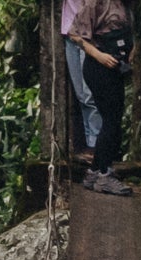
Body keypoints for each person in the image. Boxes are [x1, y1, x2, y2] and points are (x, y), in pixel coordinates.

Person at [69, 0, 134, 195]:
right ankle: (104, 176)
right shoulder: (94, 3)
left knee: (114, 118)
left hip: (116, 66)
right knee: (111, 121)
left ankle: (93, 172)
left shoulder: (125, 5)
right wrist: (99, 56)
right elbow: (75, 35)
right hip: (98, 67)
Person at [61, 0, 102, 161]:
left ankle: (95, 144)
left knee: (89, 92)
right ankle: (89, 142)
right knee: (81, 94)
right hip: (69, 33)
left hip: (88, 35)